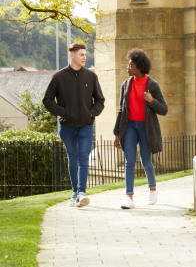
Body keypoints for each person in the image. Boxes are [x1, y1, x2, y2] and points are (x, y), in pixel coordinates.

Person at [43, 43, 105, 207]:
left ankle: (81, 193)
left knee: (83, 158)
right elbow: (47, 100)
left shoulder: (91, 77)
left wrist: (91, 112)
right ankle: (75, 192)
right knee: (73, 159)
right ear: (71, 55)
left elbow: (100, 100)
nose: (84, 57)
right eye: (81, 55)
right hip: (67, 127)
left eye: (85, 54)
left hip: (86, 125)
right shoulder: (59, 77)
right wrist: (63, 112)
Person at [113, 48, 168, 209]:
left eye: (130, 65)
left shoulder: (153, 85)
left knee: (146, 160)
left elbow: (164, 109)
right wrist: (116, 133)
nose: (127, 67)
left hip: (146, 127)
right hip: (129, 126)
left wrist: (151, 100)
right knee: (129, 161)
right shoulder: (125, 85)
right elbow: (121, 111)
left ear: (139, 67)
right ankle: (129, 197)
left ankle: (152, 189)